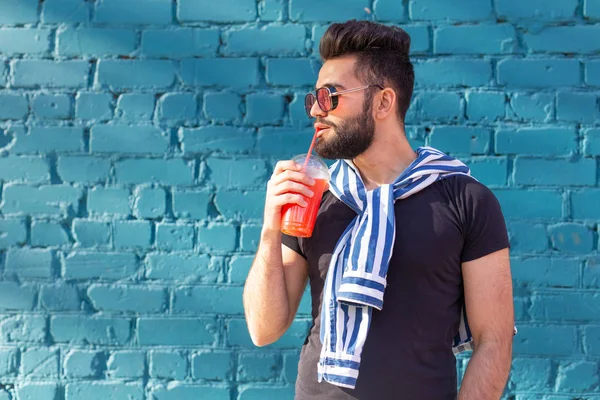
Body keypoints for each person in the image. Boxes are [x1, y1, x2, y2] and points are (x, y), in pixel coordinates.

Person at [243, 20, 514, 400]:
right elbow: (263, 329)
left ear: (383, 101)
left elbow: (494, 340)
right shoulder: (315, 198)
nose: (315, 112)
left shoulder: (466, 200)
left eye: (330, 96)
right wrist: (271, 231)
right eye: (313, 99)